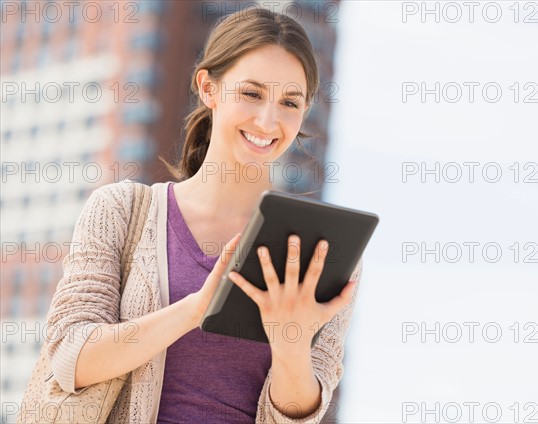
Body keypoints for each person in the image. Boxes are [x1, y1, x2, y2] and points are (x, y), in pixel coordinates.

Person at [45, 8, 363, 423]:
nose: (268, 120)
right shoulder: (121, 212)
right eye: (252, 93)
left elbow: (299, 415)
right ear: (208, 88)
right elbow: (71, 357)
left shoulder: (319, 248)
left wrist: (292, 342)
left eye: (289, 102)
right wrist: (197, 309)